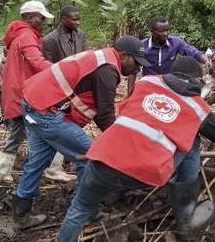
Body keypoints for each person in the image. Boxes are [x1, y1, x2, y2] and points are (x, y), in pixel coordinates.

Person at [57, 56, 215, 242]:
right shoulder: (198, 108)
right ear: (198, 80)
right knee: (192, 141)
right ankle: (185, 218)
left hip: (102, 159)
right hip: (145, 174)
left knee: (80, 208)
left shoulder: (147, 82)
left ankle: (107, 195)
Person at [10, 35, 151, 229]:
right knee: (89, 157)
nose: (136, 68)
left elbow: (92, 105)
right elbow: (104, 115)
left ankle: (21, 210)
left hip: (34, 102)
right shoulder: (108, 70)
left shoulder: (102, 57)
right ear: (124, 55)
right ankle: (87, 210)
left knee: (38, 160)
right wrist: (123, 145)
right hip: (45, 111)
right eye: (135, 62)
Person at [0, 0, 54, 181]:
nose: (43, 22)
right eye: (40, 18)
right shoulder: (27, 36)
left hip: (16, 89)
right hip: (24, 92)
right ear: (28, 17)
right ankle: (40, 169)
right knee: (41, 129)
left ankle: (3, 171)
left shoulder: (18, 35)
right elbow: (36, 62)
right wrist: (59, 71)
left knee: (20, 131)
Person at [42, 5, 87, 182]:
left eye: (78, 19)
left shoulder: (81, 35)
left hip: (77, 86)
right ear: (63, 19)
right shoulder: (50, 40)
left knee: (75, 120)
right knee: (59, 123)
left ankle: (70, 157)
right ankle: (54, 166)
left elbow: (85, 59)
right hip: (59, 88)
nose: (78, 22)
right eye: (74, 19)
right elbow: (47, 69)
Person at [127, 16, 208, 96]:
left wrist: (206, 61)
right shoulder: (142, 46)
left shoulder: (176, 43)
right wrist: (130, 93)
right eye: (161, 31)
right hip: (149, 83)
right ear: (152, 31)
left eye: (167, 30)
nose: (165, 34)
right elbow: (133, 70)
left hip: (170, 84)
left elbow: (193, 53)